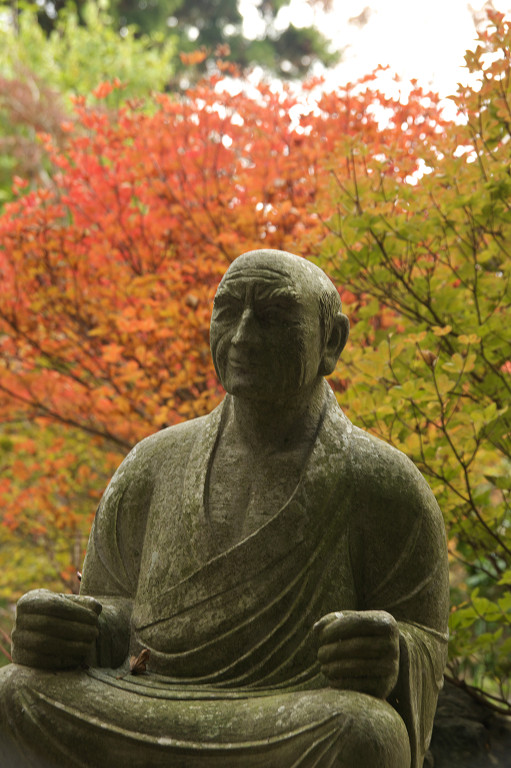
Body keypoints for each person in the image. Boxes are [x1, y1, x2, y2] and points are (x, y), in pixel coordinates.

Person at [0, 249, 449, 768]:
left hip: (288, 717)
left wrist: (390, 651)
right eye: (227, 311)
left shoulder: (382, 483)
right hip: (144, 705)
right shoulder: (153, 463)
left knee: (364, 732)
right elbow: (115, 608)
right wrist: (68, 629)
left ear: (332, 342)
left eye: (275, 317)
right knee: (14, 692)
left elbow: (425, 639)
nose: (241, 337)